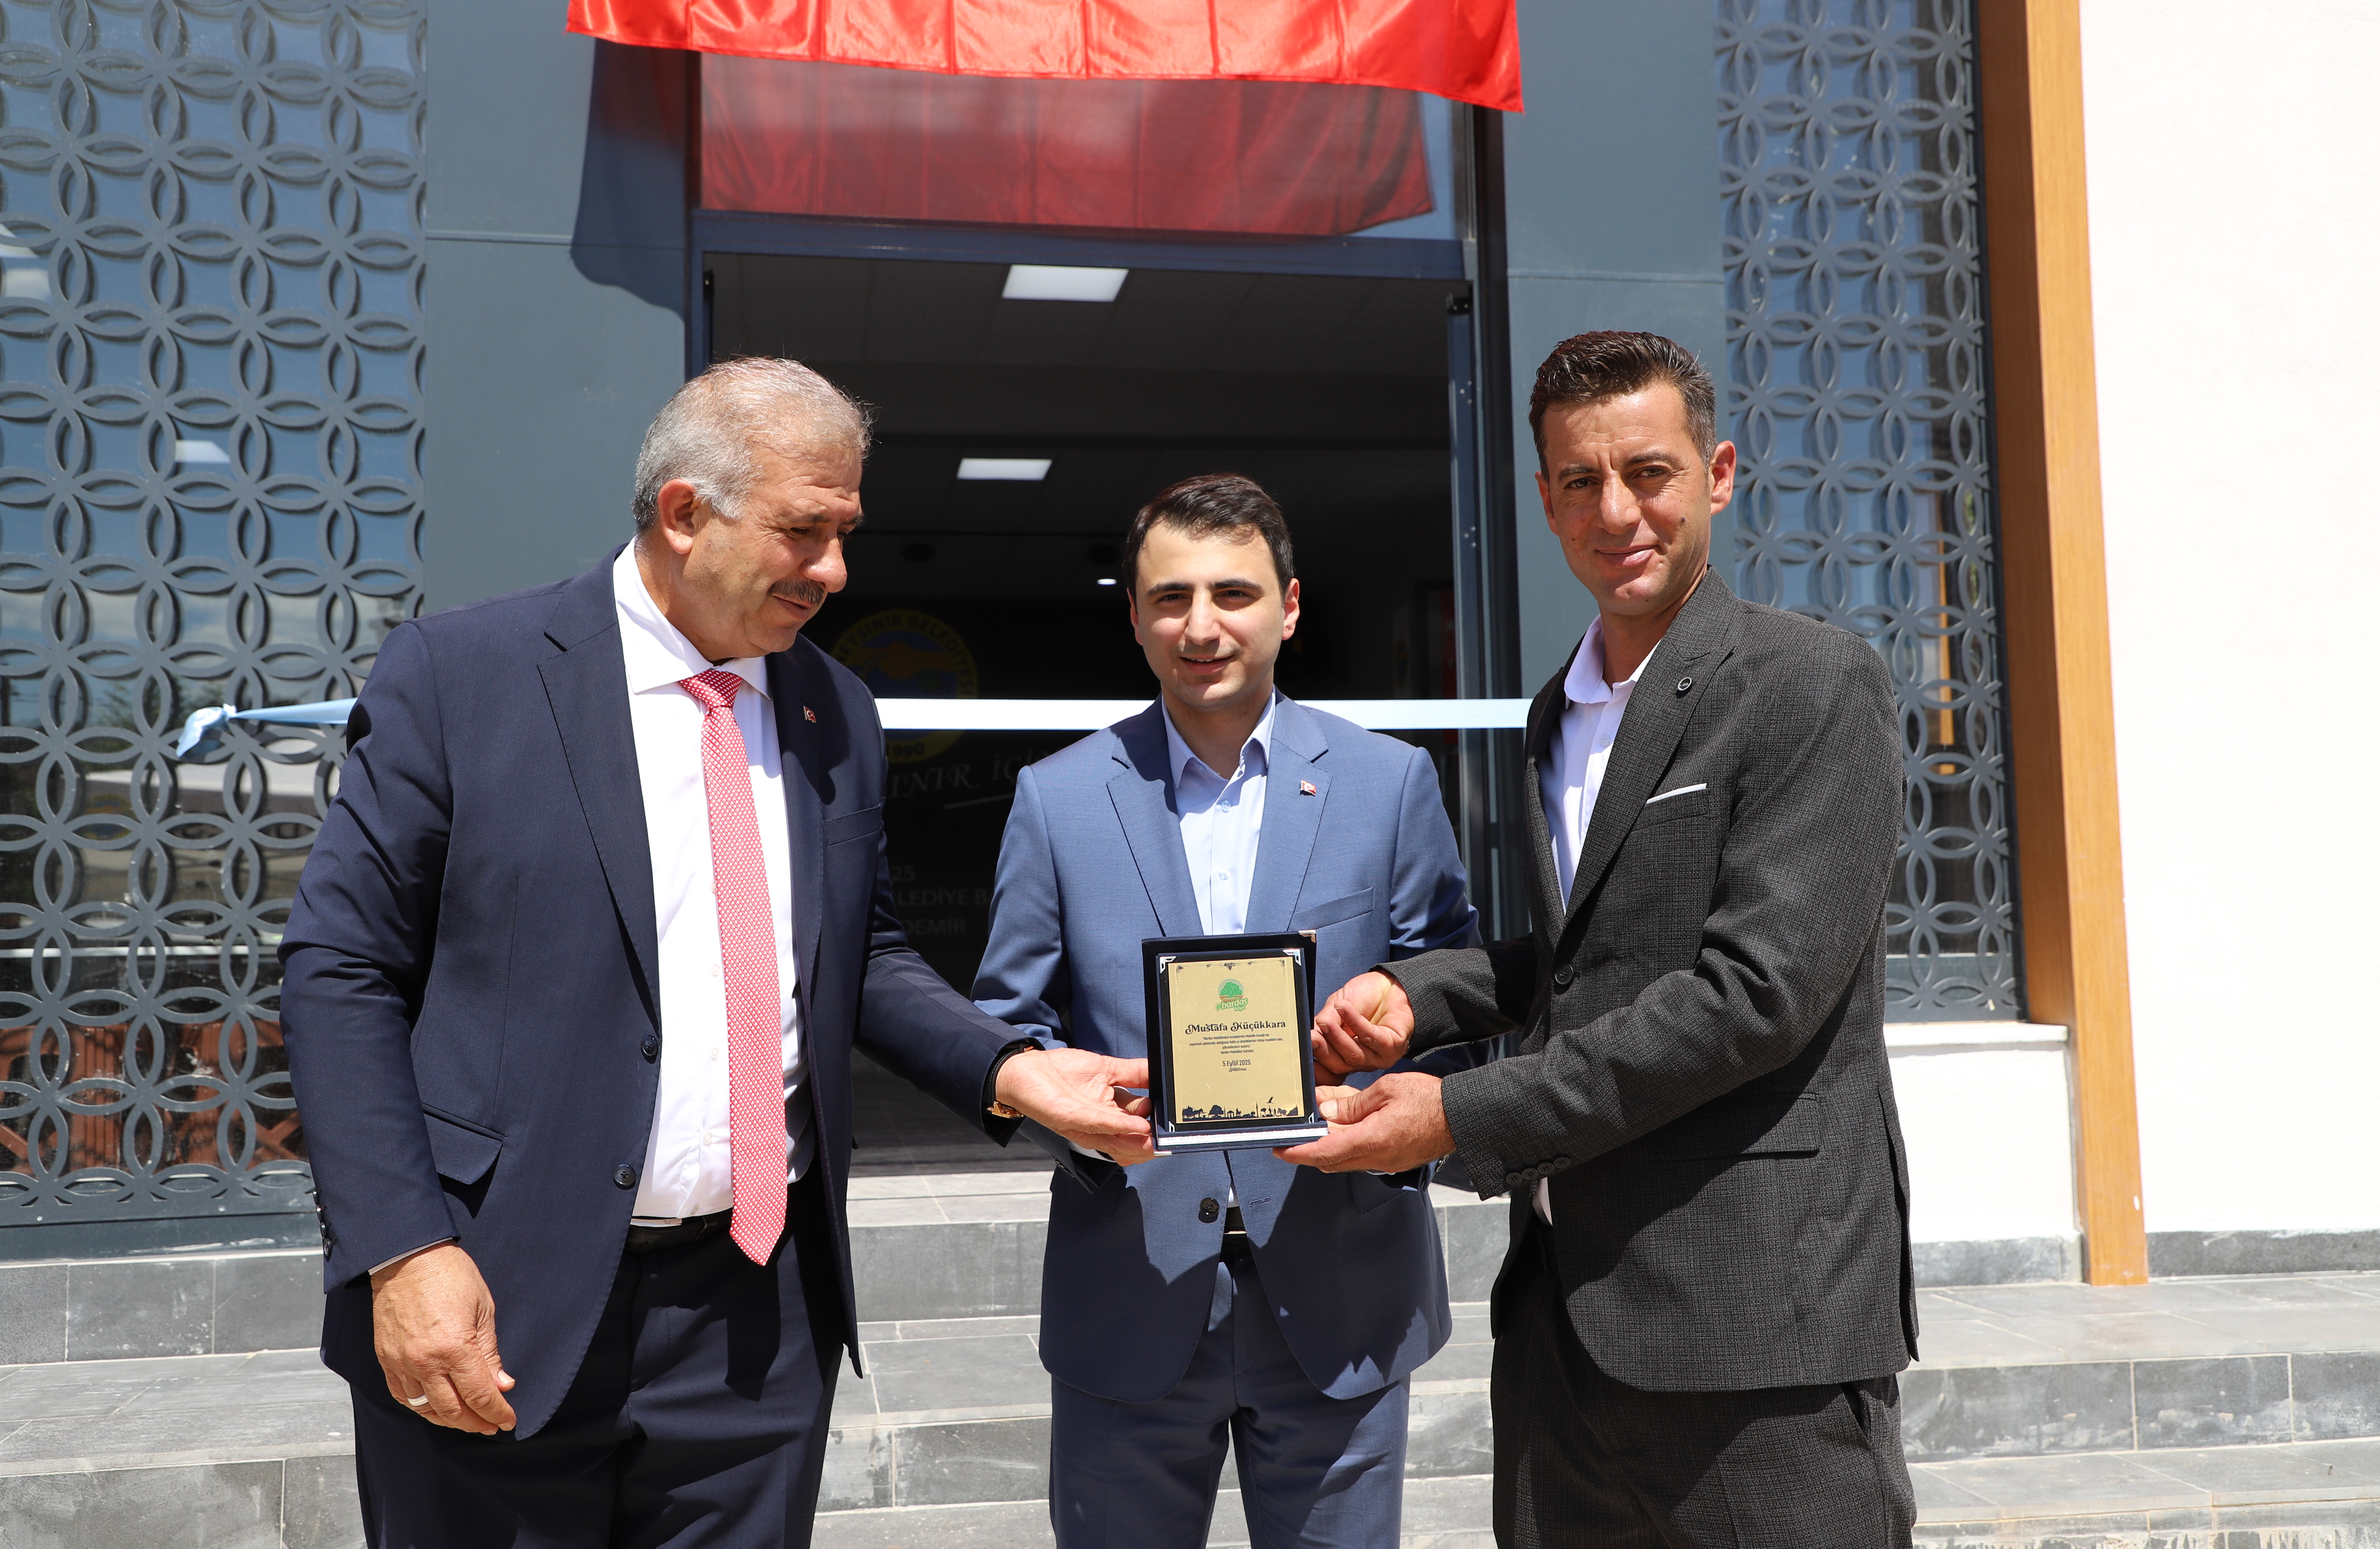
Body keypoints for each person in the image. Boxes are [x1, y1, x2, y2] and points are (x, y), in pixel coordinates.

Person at [278, 358, 1155, 1547]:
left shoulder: (834, 708)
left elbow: (860, 955)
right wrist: (403, 1251)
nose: (835, 571)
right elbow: (342, 971)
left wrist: (1014, 1070)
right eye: (804, 531)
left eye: (846, 534)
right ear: (686, 513)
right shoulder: (464, 676)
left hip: (755, 1322)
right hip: (495, 1291)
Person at [1284, 332, 1920, 1547]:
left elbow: (1754, 996)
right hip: (1562, 1333)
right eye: (1581, 480)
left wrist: (1461, 1115)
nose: (1616, 511)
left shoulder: (1811, 684)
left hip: (1754, 1329)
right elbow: (1601, 956)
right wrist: (1426, 996)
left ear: (1717, 475)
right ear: (1544, 500)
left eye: (1649, 472)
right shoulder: (1557, 711)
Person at [971, 474, 1479, 1549]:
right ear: (1134, 616)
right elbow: (1008, 1024)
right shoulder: (1058, 797)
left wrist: (1397, 1114)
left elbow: (1456, 995)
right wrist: (1077, 1122)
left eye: (1233, 594)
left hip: (1342, 1289)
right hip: (1132, 1286)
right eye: (1171, 598)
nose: (1201, 627)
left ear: (1289, 608)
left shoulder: (1388, 783)